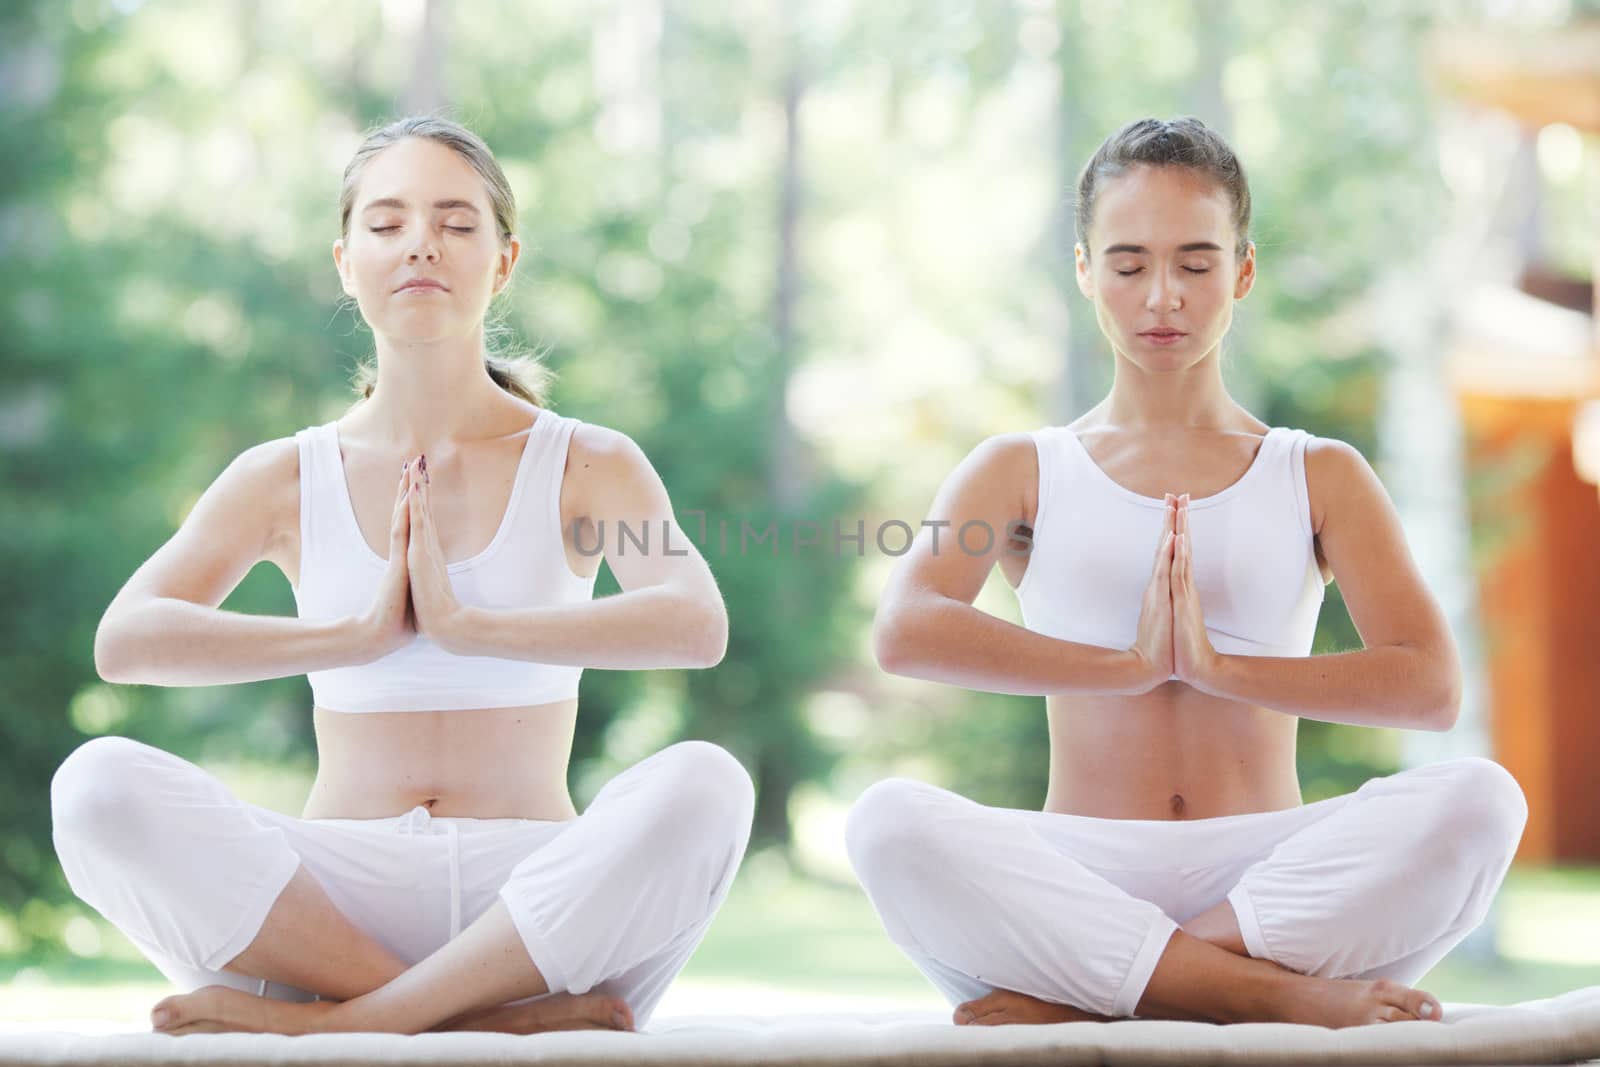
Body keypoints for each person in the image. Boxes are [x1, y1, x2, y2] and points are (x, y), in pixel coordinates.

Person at [50, 114, 752, 1037]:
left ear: (503, 262)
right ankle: (479, 1021)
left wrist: (469, 625)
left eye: (457, 223)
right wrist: (356, 637)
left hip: (535, 908)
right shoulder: (282, 474)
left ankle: (351, 1022)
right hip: (333, 909)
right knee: (95, 786)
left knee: (707, 784)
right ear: (346, 262)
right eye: (387, 224)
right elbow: (126, 640)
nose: (421, 242)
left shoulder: (587, 461)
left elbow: (696, 622)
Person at [848, 116, 1526, 1030]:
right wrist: (1126, 664)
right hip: (1081, 869)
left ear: (1242, 271)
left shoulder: (1316, 471)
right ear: (1086, 271)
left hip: (1267, 885)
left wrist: (1218, 667)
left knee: (1482, 800)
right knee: (889, 823)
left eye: (1196, 264)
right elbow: (906, 629)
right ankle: (1270, 998)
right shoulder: (1021, 466)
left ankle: (1114, 989)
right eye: (1128, 265)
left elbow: (1429, 684)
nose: (1162, 295)